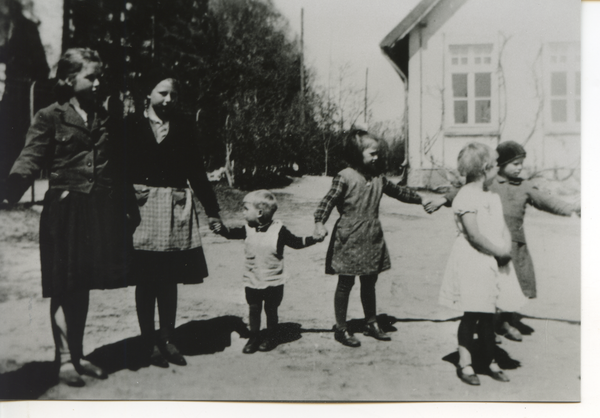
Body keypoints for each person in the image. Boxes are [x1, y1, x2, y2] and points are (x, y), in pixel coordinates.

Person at [0, 48, 139, 387]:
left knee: (83, 283)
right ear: (67, 78)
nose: (98, 82)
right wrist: (9, 191)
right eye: (91, 76)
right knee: (65, 285)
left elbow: (116, 166)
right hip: (64, 210)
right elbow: (30, 157)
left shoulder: (104, 116)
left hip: (98, 211)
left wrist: (129, 206)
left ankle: (77, 355)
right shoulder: (50, 115)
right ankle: (63, 360)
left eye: (99, 76)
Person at [427, 141, 580, 341]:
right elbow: (464, 192)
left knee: (512, 284)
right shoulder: (489, 184)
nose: (520, 167)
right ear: (500, 164)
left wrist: (572, 209)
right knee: (490, 283)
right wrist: (442, 200)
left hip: (514, 244)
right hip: (491, 242)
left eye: (521, 163)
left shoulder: (525, 186)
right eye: (515, 163)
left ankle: (506, 321)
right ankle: (488, 326)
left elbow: (547, 201)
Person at [127, 69, 222, 368]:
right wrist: (123, 203)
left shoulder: (183, 127)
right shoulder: (130, 125)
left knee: (168, 278)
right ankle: (147, 340)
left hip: (176, 207)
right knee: (146, 278)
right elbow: (118, 168)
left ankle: (167, 338)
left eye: (173, 95)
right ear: (148, 95)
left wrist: (213, 210)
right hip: (142, 208)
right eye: (162, 93)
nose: (168, 100)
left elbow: (196, 170)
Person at [313, 129, 428, 348]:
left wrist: (422, 199)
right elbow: (327, 201)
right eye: (372, 153)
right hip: (349, 236)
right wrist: (319, 222)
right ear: (357, 153)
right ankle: (341, 327)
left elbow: (400, 192)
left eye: (377, 154)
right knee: (345, 282)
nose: (376, 158)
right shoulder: (345, 176)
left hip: (371, 236)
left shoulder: (379, 179)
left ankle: (371, 322)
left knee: (369, 282)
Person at [438, 142, 526, 386]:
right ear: (485, 168)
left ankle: (489, 360)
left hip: (491, 259)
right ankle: (465, 362)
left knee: (488, 315)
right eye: (496, 164)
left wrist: (506, 246)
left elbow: (501, 227)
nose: (498, 168)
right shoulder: (466, 196)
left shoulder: (491, 196)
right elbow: (474, 235)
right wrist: (498, 251)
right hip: (473, 260)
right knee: (472, 313)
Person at [213, 190, 320, 353]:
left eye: (245, 209)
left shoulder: (279, 230)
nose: (242, 212)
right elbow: (231, 234)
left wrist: (314, 238)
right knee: (254, 308)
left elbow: (296, 242)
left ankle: (271, 336)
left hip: (273, 281)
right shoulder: (248, 229)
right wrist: (221, 229)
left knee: (271, 309)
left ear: (260, 213)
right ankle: (254, 336)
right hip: (252, 278)